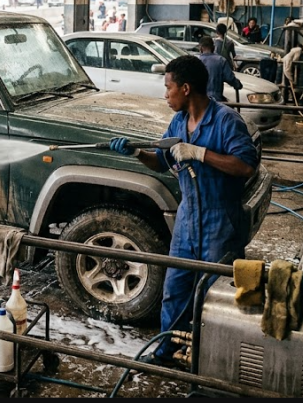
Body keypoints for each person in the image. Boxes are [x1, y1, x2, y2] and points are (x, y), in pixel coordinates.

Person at [109, 54, 258, 367]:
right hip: (188, 220)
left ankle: (207, 361)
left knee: (213, 298)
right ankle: (166, 352)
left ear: (186, 88)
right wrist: (137, 152)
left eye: (169, 87)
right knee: (175, 290)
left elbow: (245, 166)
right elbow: (162, 161)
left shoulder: (226, 120)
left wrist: (201, 153)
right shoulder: (178, 122)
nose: (165, 94)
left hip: (221, 222)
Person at [197, 36, 241, 102]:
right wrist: (237, 84)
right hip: (216, 99)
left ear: (201, 48)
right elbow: (230, 78)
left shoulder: (196, 61)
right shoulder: (220, 60)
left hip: (199, 100)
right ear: (213, 47)